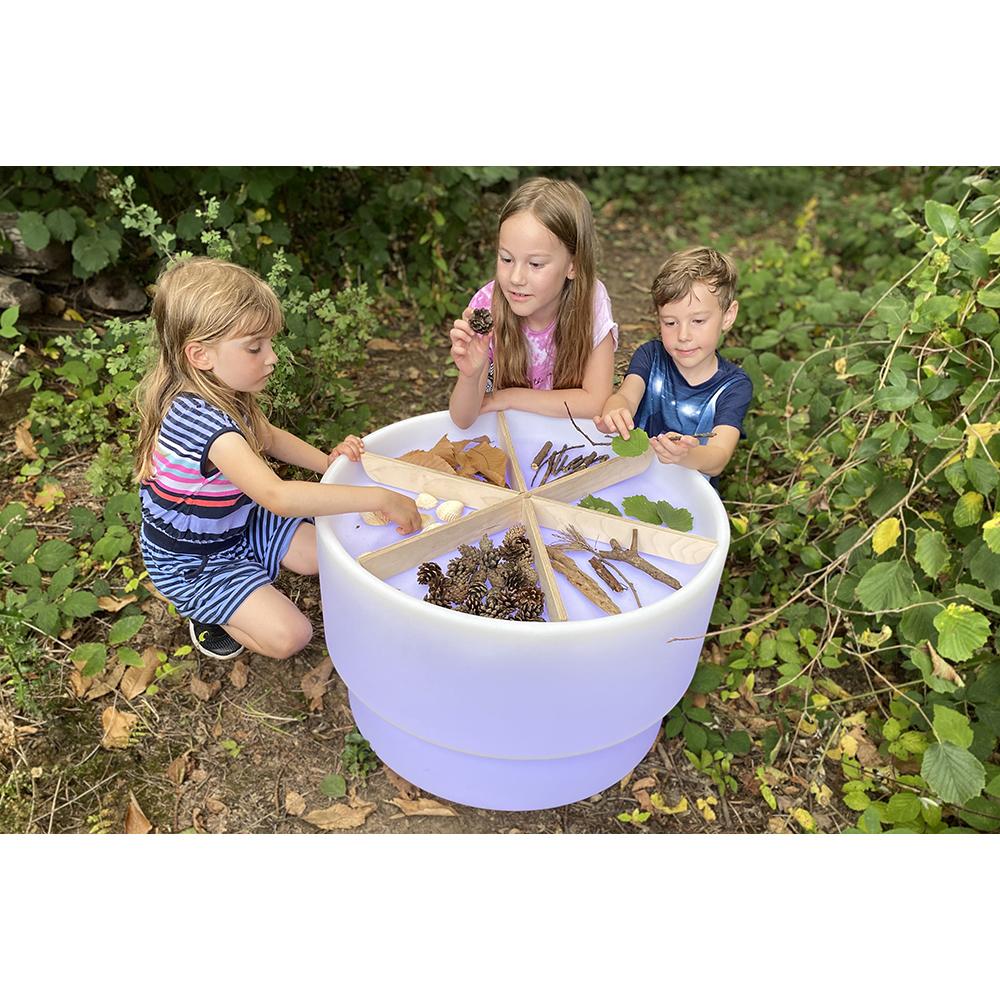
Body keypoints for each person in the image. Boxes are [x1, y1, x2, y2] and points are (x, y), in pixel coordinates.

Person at [134, 257, 420, 661]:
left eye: (269, 343)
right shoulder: (205, 425)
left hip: (240, 521)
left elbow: (268, 437)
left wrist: (328, 464)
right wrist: (379, 497)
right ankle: (207, 612)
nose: (272, 357)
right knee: (290, 636)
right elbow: (278, 496)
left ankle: (249, 577)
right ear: (200, 354)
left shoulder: (223, 391)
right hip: (196, 561)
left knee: (326, 553)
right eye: (255, 347)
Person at [448, 177, 618, 428]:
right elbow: (463, 420)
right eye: (506, 259)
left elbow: (596, 402)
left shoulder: (591, 301)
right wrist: (470, 376)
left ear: (573, 266)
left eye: (535, 264)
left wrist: (508, 397)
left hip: (567, 437)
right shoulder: (486, 307)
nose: (516, 278)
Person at [596, 247, 753, 488]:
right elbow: (626, 396)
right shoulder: (651, 356)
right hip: (631, 477)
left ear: (728, 316)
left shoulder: (733, 386)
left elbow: (718, 457)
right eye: (670, 322)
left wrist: (686, 455)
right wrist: (615, 411)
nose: (683, 335)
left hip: (689, 494)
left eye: (698, 321)